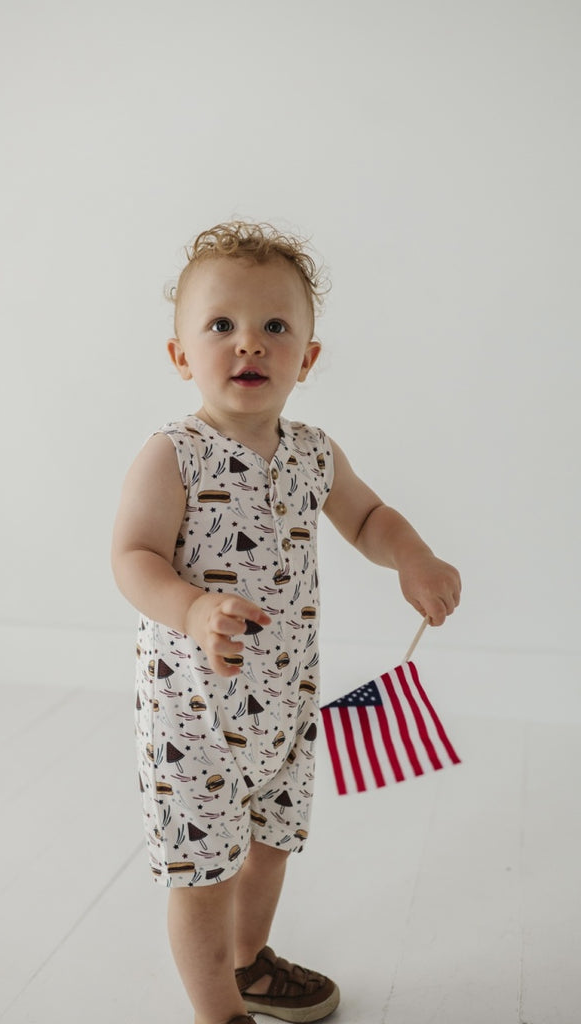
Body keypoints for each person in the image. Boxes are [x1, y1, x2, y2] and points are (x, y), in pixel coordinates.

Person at [111, 221, 461, 1024]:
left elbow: (368, 517)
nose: (250, 343)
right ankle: (217, 1013)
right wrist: (191, 607)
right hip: (193, 716)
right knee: (203, 872)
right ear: (180, 355)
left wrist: (413, 558)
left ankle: (249, 965)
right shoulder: (175, 455)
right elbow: (132, 557)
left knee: (271, 845)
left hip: (286, 704)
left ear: (307, 357)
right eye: (221, 325)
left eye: (275, 326)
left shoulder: (312, 453)